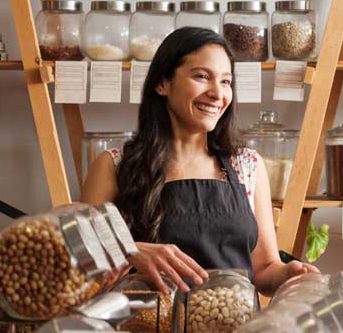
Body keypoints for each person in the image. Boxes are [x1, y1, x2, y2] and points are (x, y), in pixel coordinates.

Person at [81, 27, 316, 296]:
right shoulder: (114, 165)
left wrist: (292, 274)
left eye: (226, 81)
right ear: (162, 83)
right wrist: (129, 250)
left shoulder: (247, 167)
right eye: (202, 77)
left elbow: (264, 270)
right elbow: (81, 265)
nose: (218, 93)